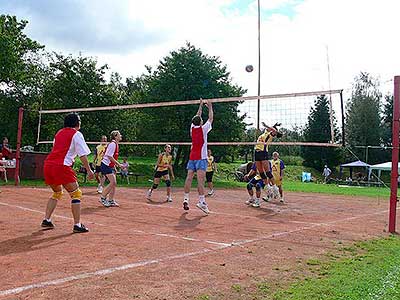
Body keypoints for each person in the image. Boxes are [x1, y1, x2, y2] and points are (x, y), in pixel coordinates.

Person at [41, 113, 94, 233]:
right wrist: (89, 170)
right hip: (61, 166)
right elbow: (82, 155)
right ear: (76, 123)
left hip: (48, 165)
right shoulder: (77, 134)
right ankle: (77, 225)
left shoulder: (59, 133)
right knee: (76, 194)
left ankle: (47, 220)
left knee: (57, 193)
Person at [183, 99, 213, 214]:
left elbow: (197, 116)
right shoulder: (203, 129)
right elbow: (210, 119)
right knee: (201, 180)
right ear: (200, 122)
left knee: (189, 178)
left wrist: (200, 105)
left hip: (192, 157)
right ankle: (201, 201)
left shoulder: (192, 129)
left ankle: (186, 198)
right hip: (201, 158)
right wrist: (210, 107)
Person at [254, 122, 281, 196]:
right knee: (261, 172)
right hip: (256, 152)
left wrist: (267, 125)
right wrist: (274, 125)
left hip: (263, 152)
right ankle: (268, 187)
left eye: (271, 128)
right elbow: (271, 128)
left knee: (268, 172)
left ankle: (275, 188)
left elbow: (275, 131)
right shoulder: (264, 133)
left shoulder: (270, 135)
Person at [100, 130, 122, 207]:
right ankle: (103, 198)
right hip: (106, 165)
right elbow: (109, 156)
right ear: (115, 136)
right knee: (113, 182)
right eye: (119, 135)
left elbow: (111, 156)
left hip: (109, 165)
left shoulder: (115, 144)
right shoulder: (113, 144)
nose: (121, 136)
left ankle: (111, 200)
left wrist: (114, 166)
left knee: (114, 183)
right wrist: (119, 164)